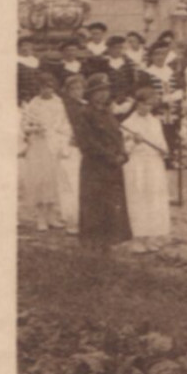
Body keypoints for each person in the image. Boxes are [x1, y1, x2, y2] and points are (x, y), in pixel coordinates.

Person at [72, 74, 131, 250]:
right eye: (99, 91)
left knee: (112, 202)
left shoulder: (107, 112)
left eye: (106, 90)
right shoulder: (84, 114)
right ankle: (93, 242)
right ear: (90, 94)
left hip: (113, 166)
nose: (103, 95)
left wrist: (123, 153)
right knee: (94, 203)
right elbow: (88, 143)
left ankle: (109, 239)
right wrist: (110, 157)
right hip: (95, 166)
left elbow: (117, 135)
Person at [120, 83, 171, 252]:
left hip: (153, 164)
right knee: (138, 199)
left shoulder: (155, 122)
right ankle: (137, 238)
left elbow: (161, 143)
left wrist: (164, 151)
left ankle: (151, 236)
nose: (147, 108)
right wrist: (133, 142)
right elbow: (124, 149)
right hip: (137, 165)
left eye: (150, 104)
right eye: (144, 104)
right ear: (137, 103)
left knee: (154, 199)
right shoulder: (128, 123)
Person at [19, 73, 70, 231]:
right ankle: (41, 217)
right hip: (39, 146)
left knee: (53, 180)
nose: (46, 90)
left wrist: (58, 136)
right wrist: (35, 129)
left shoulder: (59, 103)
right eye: (43, 87)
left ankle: (51, 216)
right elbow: (25, 125)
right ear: (39, 88)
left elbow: (64, 124)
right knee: (40, 180)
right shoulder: (34, 104)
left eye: (49, 86)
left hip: (54, 144)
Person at [56, 73, 85, 231]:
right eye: (73, 89)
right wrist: (67, 140)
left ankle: (83, 218)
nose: (77, 92)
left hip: (85, 150)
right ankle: (71, 220)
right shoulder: (62, 107)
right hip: (69, 149)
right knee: (70, 185)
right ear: (67, 91)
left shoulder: (86, 105)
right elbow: (57, 129)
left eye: (80, 88)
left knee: (83, 184)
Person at [17, 37, 44, 104]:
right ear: (19, 47)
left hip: (36, 92)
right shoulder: (16, 60)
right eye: (23, 45)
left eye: (29, 45)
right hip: (21, 92)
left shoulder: (36, 61)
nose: (26, 48)